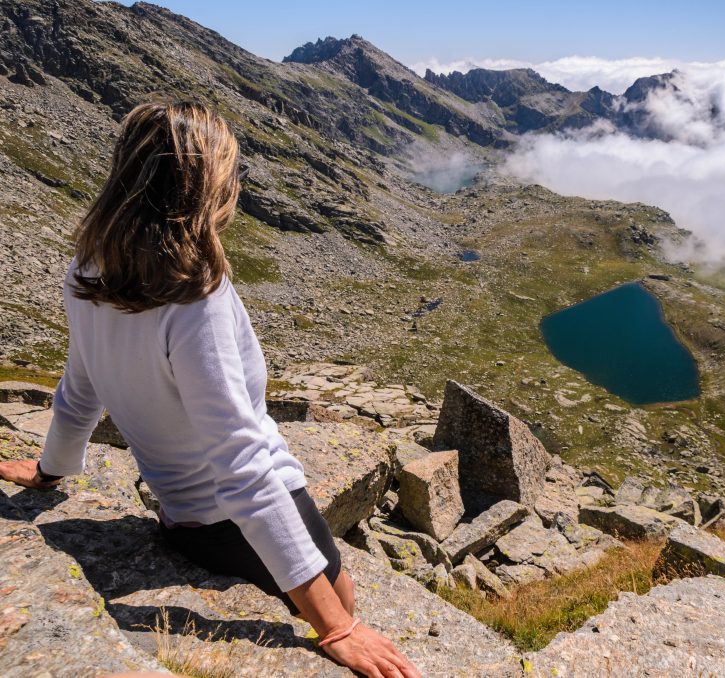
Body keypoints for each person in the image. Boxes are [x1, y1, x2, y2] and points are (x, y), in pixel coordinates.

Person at [0, 101, 420, 678]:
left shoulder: (88, 268)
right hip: (234, 518)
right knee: (344, 595)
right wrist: (337, 626)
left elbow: (81, 381)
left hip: (184, 524)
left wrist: (51, 469)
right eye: (230, 173)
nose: (238, 185)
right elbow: (243, 461)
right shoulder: (195, 297)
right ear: (199, 187)